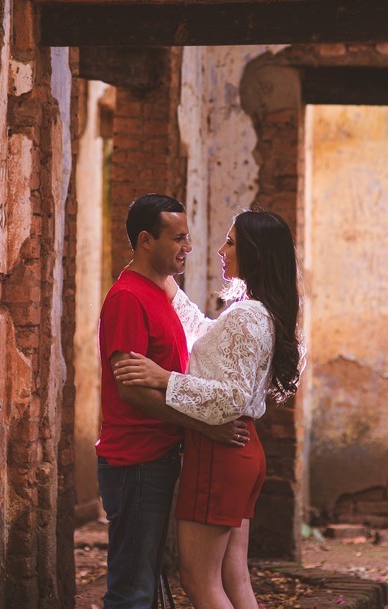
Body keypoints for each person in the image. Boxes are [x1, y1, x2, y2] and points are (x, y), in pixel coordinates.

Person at [114, 208, 303, 609]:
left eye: (231, 242)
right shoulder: (257, 310)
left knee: (199, 581)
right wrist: (164, 280)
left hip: (220, 452)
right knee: (234, 577)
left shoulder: (247, 316)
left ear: (256, 252)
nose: (221, 249)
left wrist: (162, 377)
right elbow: (202, 332)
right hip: (243, 450)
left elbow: (230, 398)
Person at [97, 194, 250, 609]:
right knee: (131, 588)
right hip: (136, 461)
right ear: (146, 241)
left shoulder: (160, 289)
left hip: (158, 457)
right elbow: (132, 389)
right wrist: (203, 424)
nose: (188, 247)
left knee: (149, 583)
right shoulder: (128, 297)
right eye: (178, 238)